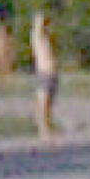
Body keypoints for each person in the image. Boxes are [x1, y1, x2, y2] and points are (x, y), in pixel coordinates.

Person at [31, 9, 60, 137]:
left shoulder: (47, 38)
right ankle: (43, 129)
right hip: (44, 72)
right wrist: (40, 22)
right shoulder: (37, 36)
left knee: (49, 104)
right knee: (43, 103)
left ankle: (47, 126)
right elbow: (38, 29)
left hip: (51, 73)